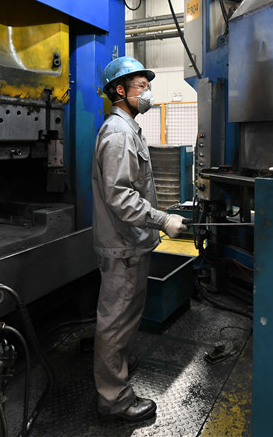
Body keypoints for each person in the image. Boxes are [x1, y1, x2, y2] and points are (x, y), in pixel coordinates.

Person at [91, 56, 189, 422]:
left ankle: (116, 369)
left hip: (130, 241)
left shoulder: (128, 129)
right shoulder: (118, 134)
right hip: (124, 244)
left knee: (124, 317)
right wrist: (163, 220)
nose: (148, 93)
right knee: (115, 321)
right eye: (142, 86)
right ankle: (113, 398)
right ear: (120, 90)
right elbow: (120, 197)